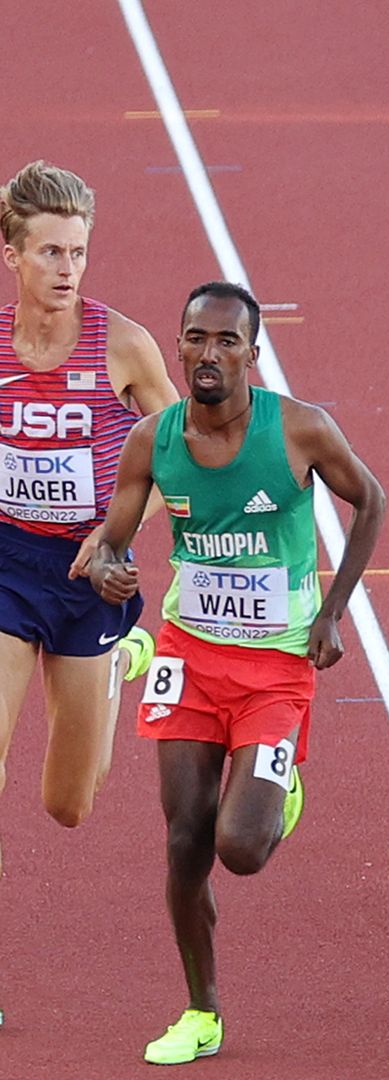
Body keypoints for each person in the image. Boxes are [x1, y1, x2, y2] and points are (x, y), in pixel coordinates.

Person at [89, 281, 386, 1066]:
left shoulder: (300, 429)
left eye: (226, 341)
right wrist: (109, 570)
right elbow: (109, 541)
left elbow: (373, 501)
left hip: (276, 670)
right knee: (185, 842)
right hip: (188, 658)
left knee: (241, 848)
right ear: (179, 346)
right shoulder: (153, 439)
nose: (208, 354)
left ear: (252, 354)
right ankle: (201, 1011)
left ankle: (279, 785)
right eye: (195, 338)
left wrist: (332, 612)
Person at [0, 160, 177, 1027]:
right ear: (12, 256)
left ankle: (126, 655)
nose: (68, 269)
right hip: (4, 566)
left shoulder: (125, 346)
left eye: (79, 251)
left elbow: (179, 459)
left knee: (69, 804)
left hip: (88, 580)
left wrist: (125, 541)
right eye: (50, 252)